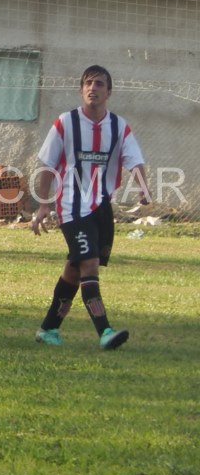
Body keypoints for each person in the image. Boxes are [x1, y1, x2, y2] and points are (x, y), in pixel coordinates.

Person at [31, 64, 149, 350]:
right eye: (88, 83)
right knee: (89, 264)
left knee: (75, 269)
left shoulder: (118, 126)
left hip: (101, 208)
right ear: (81, 89)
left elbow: (134, 160)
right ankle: (105, 331)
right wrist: (44, 204)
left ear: (109, 92)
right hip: (72, 207)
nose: (92, 88)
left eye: (99, 84)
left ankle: (48, 329)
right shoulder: (65, 122)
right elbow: (47, 164)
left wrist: (143, 188)